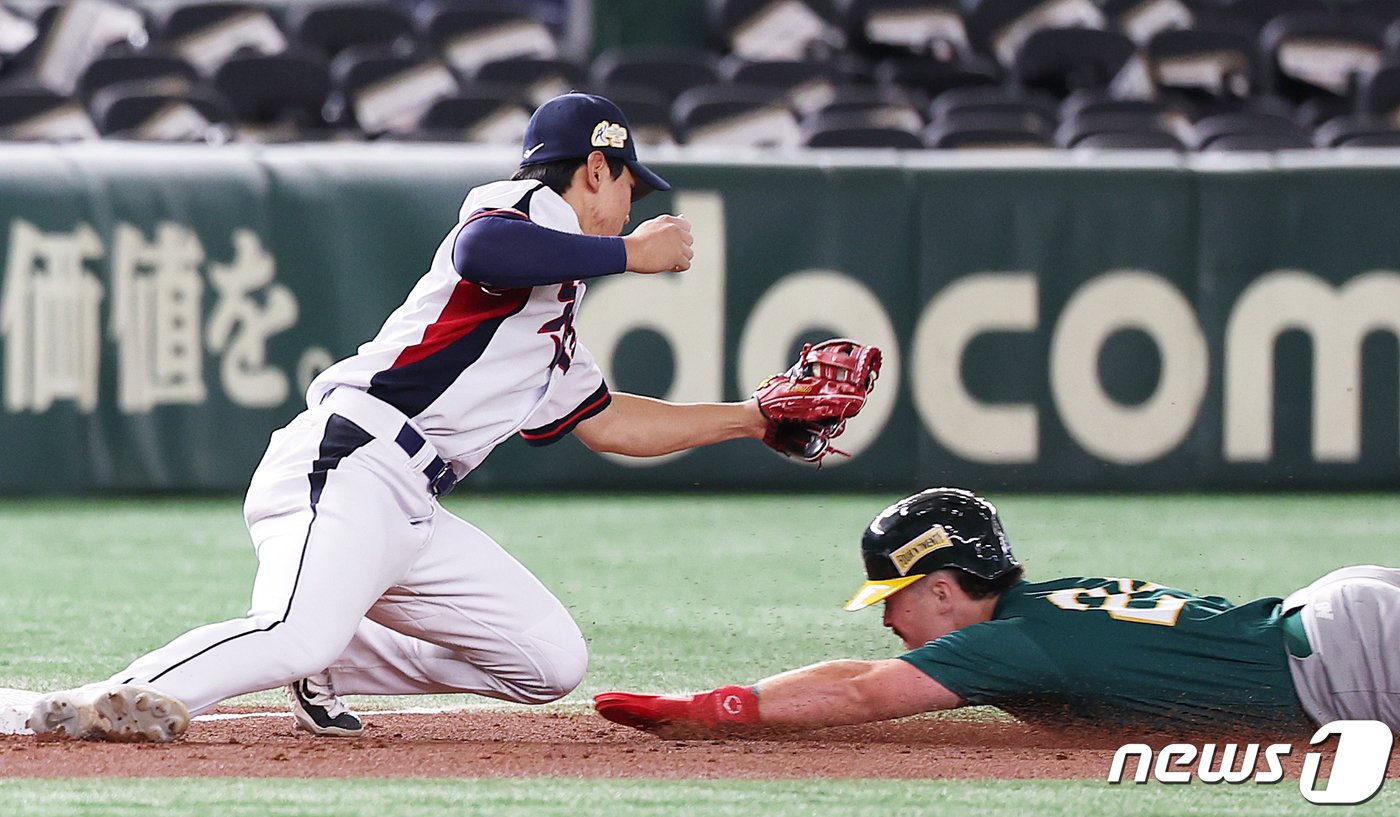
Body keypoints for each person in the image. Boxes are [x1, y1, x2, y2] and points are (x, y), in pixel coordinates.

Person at [28, 92, 774, 742]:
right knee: (291, 629)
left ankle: (332, 654)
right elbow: (485, 244)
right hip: (352, 459)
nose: (629, 205)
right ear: (594, 169)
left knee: (550, 662)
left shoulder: (555, 306)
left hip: (410, 503)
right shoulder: (527, 207)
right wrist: (630, 252)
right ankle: (96, 703)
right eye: (627, 187)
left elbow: (609, 422)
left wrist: (752, 418)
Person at [594, 487, 1400, 737]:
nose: (886, 622)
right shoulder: (1050, 600)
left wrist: (707, 707)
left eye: (894, 597)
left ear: (944, 588)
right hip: (1339, 620)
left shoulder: (1010, 642)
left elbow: (864, 689)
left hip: (1348, 666)